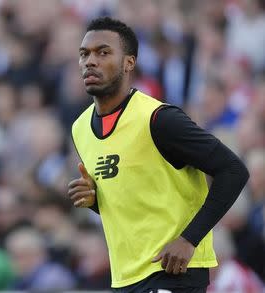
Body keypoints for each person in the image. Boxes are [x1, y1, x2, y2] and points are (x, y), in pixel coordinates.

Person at [68, 17, 250, 293]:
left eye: (103, 52)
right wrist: (95, 200)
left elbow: (233, 170)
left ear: (129, 62)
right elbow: (132, 199)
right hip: (125, 277)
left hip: (172, 271)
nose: (90, 61)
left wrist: (189, 240)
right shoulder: (80, 128)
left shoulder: (158, 119)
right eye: (84, 54)